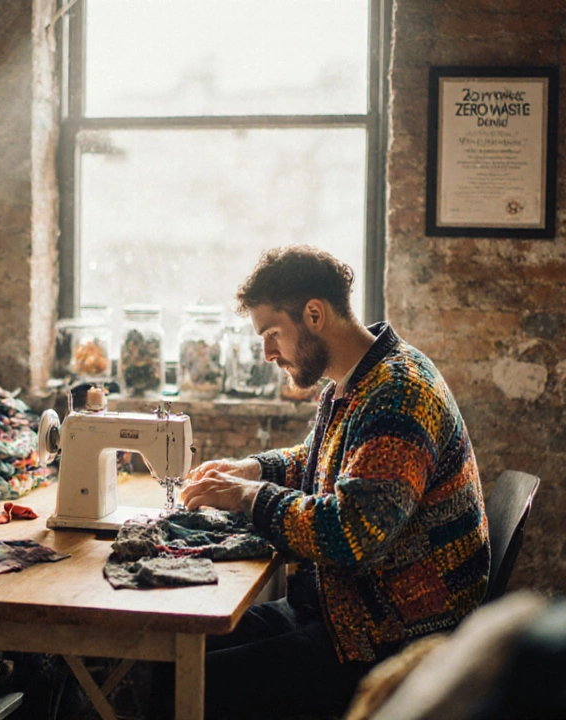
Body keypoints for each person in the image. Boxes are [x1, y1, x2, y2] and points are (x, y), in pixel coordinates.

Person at [178, 245, 490, 719]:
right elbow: (320, 462)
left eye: (272, 333)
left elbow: (351, 534)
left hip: (391, 633)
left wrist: (249, 497)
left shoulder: (398, 393)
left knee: (199, 678)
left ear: (315, 314)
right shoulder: (356, 381)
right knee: (180, 652)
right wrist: (254, 469)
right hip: (347, 608)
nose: (267, 353)